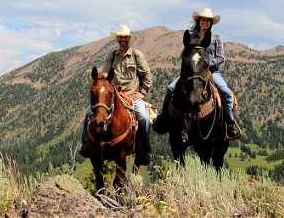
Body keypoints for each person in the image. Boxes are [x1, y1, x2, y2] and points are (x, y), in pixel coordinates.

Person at [155, 8, 238, 141]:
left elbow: (221, 57)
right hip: (192, 71)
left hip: (210, 71)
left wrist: (205, 63)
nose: (205, 22)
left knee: (225, 92)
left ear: (211, 23)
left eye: (208, 20)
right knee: (170, 88)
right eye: (203, 19)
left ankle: (230, 122)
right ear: (199, 21)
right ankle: (164, 118)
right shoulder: (191, 35)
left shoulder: (216, 37)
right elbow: (187, 54)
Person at [79, 24, 153, 165]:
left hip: (132, 95)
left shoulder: (137, 55)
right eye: (120, 37)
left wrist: (142, 92)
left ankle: (144, 150)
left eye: (125, 37)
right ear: (117, 39)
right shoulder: (112, 55)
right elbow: (106, 74)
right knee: (88, 112)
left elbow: (147, 75)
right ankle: (86, 144)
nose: (123, 39)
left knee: (143, 118)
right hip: (114, 95)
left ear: (129, 38)